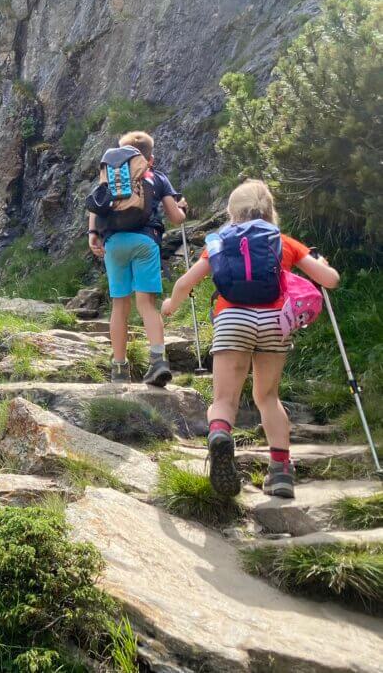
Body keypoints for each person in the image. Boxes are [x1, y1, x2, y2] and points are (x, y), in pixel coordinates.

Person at [162, 180, 339, 499]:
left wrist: (169, 306)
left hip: (233, 319)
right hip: (274, 322)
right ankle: (282, 472)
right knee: (268, 397)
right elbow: (330, 280)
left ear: (232, 212)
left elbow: (185, 283)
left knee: (224, 400)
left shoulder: (219, 240)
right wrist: (323, 265)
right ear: (270, 210)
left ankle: (219, 436)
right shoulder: (282, 241)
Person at [88, 131, 187, 386]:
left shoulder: (110, 175)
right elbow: (176, 218)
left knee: (120, 306)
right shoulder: (157, 177)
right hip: (145, 241)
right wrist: (183, 209)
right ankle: (157, 361)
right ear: (149, 159)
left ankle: (119, 369)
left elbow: (96, 204)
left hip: (114, 243)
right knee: (147, 305)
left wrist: (93, 234)